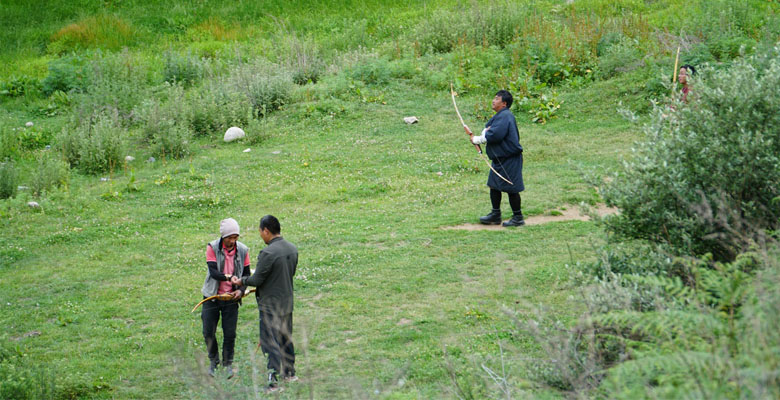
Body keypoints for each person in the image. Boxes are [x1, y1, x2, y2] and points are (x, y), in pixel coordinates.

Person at [232, 215, 298, 392]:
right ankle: (290, 373)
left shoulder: (268, 253)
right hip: (287, 302)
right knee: (285, 338)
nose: (261, 235)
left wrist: (242, 281)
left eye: (261, 231)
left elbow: (257, 280)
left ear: (266, 231)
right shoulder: (292, 249)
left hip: (270, 306)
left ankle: (273, 382)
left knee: (270, 342)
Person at [200, 218, 251, 378]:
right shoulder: (212, 247)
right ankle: (214, 361)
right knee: (208, 331)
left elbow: (247, 274)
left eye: (235, 237)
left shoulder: (243, 250)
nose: (232, 241)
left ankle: (228, 364)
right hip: (212, 297)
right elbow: (214, 272)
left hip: (231, 299)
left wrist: (241, 291)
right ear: (223, 236)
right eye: (230, 237)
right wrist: (230, 278)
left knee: (230, 334)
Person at [467, 90, 525, 227]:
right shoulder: (500, 116)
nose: (493, 100)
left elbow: (495, 134)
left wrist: (477, 139)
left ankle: (518, 217)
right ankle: (495, 215)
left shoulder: (505, 116)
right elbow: (488, 129)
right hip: (500, 158)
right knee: (494, 186)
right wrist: (482, 136)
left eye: (497, 98)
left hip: (510, 158)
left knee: (512, 188)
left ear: (504, 103)